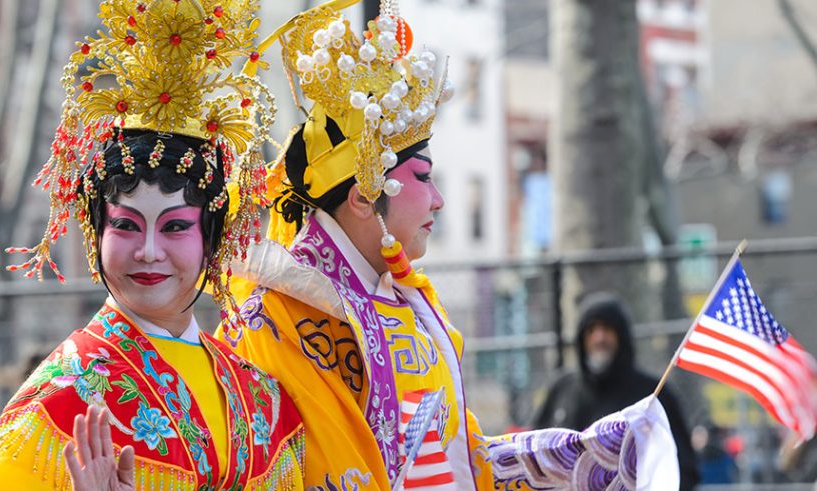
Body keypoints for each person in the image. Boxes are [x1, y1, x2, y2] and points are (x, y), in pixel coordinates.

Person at [223, 0, 682, 489]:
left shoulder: (409, 306)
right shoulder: (277, 320)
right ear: (363, 197)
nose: (438, 200)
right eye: (423, 177)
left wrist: (598, 453)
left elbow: (462, 462)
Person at [0, 0, 305, 489]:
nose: (148, 251)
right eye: (125, 226)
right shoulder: (64, 401)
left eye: (174, 228)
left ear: (213, 239)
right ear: (94, 234)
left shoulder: (260, 399)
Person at [532, 292, 700, 489]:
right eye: (592, 329)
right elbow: (535, 458)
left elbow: (683, 468)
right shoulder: (562, 390)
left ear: (622, 336)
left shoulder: (653, 394)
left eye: (607, 328)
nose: (599, 337)